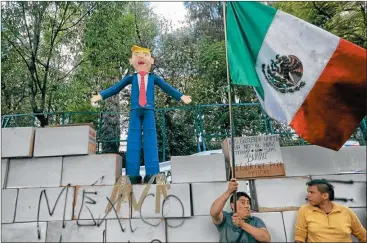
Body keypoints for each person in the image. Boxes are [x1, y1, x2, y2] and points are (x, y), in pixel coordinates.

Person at [91, 45, 192, 184]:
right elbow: (116, 88)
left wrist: (181, 96)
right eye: (137, 54)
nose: (141, 56)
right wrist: (101, 95)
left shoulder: (153, 78)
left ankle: (152, 174)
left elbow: (167, 88)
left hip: (149, 111)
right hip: (135, 111)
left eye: (145, 54)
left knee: (151, 142)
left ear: (152, 60)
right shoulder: (131, 77)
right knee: (132, 141)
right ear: (131, 60)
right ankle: (132, 174)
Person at [295, 179, 366, 242]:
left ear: (325, 196)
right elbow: (299, 237)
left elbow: (363, 236)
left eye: (312, 192)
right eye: (308, 192)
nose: (308, 195)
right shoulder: (305, 210)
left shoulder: (346, 212)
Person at [210, 178, 271, 242]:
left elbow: (266, 239)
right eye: (243, 202)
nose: (247, 206)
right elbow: (214, 212)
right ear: (233, 205)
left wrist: (242, 224)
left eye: (248, 203)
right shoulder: (226, 218)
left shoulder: (255, 221)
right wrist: (228, 191)